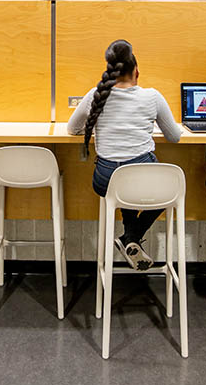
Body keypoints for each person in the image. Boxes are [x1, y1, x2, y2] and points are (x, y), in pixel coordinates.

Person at [67, 39, 181, 270]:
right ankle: (132, 236)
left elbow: (72, 128)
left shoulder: (95, 95)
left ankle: (131, 238)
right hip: (140, 176)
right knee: (166, 187)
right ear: (137, 71)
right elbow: (174, 137)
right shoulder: (152, 96)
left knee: (127, 180)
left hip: (106, 178)